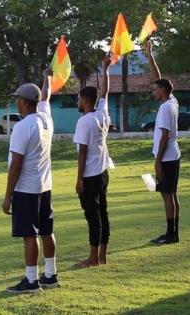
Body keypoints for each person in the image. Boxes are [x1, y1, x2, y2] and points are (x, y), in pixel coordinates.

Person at [2, 69, 59, 293]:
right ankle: (51, 274)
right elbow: (46, 97)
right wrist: (47, 78)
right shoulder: (45, 119)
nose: (16, 102)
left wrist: (8, 196)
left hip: (26, 189)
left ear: (24, 102)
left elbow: (15, 165)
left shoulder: (23, 127)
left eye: (17, 98)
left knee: (29, 234)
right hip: (44, 186)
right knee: (46, 230)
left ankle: (31, 280)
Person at [73, 55, 113, 267]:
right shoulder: (102, 115)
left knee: (92, 216)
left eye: (79, 99)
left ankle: (93, 258)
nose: (77, 102)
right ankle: (102, 256)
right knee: (103, 213)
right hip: (103, 173)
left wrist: (79, 179)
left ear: (85, 100)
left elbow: (82, 153)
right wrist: (105, 69)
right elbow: (105, 92)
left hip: (89, 176)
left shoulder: (85, 121)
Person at [145, 41, 181, 244]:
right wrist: (150, 55)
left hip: (166, 157)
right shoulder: (172, 101)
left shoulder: (167, 108)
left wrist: (157, 161)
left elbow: (165, 136)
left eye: (156, 89)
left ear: (164, 91)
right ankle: (172, 232)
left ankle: (171, 234)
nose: (153, 91)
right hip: (172, 155)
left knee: (167, 195)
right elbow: (158, 77)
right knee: (171, 194)